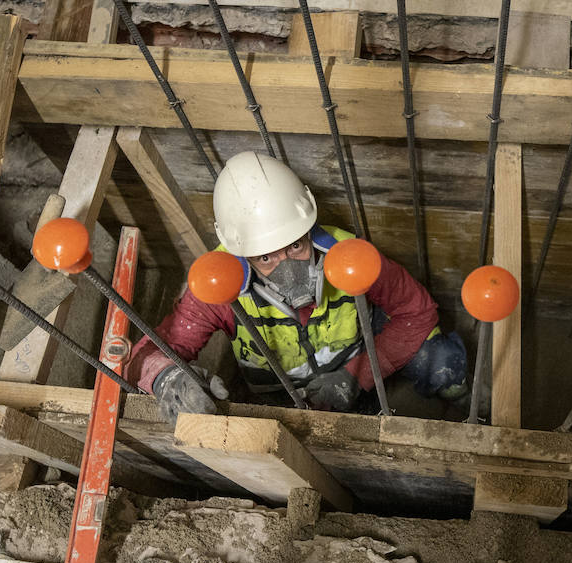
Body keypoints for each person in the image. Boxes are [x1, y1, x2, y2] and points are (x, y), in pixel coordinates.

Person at [126, 152, 467, 422]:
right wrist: (167, 379)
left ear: (308, 229)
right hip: (278, 395)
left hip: (354, 368)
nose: (288, 269)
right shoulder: (219, 284)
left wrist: (358, 374)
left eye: (295, 247)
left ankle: (462, 401)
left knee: (440, 358)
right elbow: (151, 351)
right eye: (265, 258)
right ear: (241, 253)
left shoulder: (351, 258)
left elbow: (417, 312)